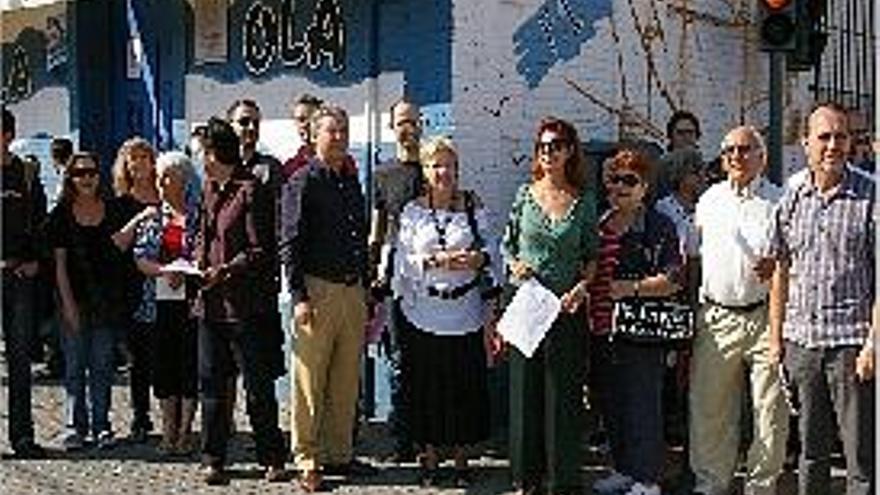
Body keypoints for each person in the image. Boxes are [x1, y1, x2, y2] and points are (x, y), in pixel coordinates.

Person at [769, 103, 876, 495]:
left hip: (851, 345)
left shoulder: (871, 196)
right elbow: (780, 268)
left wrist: (873, 344)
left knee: (859, 455)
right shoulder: (792, 196)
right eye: (824, 137)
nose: (833, 145)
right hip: (803, 345)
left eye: (841, 136)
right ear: (805, 143)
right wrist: (776, 339)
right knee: (810, 452)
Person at [392, 136, 499, 486]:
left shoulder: (472, 205)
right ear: (425, 170)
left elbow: (492, 251)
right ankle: (429, 459)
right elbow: (402, 260)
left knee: (462, 386)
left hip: (465, 311)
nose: (445, 172)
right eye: (437, 165)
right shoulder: (412, 211)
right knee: (425, 387)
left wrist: (478, 258)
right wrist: (434, 260)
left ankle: (461, 460)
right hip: (423, 311)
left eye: (450, 165)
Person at [689, 126, 788, 495]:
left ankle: (761, 486)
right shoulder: (709, 200)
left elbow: (790, 261)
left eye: (745, 149)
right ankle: (711, 483)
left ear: (761, 157)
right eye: (729, 149)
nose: (736, 156)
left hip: (765, 316)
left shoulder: (779, 202)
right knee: (710, 407)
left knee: (769, 410)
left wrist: (775, 266)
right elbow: (693, 255)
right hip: (717, 317)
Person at [282, 105, 376, 492]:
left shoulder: (350, 182)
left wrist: (366, 288)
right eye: (330, 131)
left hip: (352, 291)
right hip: (316, 292)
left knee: (344, 380)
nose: (338, 136)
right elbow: (289, 242)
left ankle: (340, 453)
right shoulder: (303, 181)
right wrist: (299, 296)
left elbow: (359, 239)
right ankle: (307, 460)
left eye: (343, 130)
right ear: (314, 136)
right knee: (309, 381)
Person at [503, 117, 597, 495]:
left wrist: (582, 286)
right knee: (525, 391)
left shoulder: (584, 200)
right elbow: (507, 244)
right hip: (527, 303)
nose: (548, 152)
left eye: (556, 145)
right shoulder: (524, 195)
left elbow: (591, 256)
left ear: (570, 150)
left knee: (563, 394)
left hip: (566, 308)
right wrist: (514, 265)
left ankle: (563, 480)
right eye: (542, 146)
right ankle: (526, 478)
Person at [195, 117, 286, 485]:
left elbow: (260, 249)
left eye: (203, 151)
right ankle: (213, 457)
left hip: (246, 306)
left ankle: (272, 456)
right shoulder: (208, 190)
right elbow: (204, 236)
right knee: (212, 386)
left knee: (257, 386)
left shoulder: (251, 190)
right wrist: (197, 264)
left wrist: (225, 270)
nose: (200, 158)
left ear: (216, 152)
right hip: (211, 304)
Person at [587, 149, 682, 495]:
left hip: (641, 332)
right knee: (612, 403)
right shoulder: (600, 223)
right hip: (602, 329)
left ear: (644, 186)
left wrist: (632, 288)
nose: (620, 186)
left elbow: (673, 279)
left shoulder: (658, 225)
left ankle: (647, 479)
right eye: (614, 179)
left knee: (643, 404)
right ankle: (623, 468)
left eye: (629, 180)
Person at [48, 152, 147, 451]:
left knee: (102, 366)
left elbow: (121, 244)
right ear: (70, 179)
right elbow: (60, 266)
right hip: (73, 300)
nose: (86, 178)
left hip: (106, 301)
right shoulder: (61, 215)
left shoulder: (113, 209)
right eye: (79, 173)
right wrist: (68, 306)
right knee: (75, 366)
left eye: (91, 172)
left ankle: (101, 425)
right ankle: (74, 426)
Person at [132, 151, 201, 455]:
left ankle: (186, 431)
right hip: (158, 304)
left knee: (189, 366)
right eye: (158, 175)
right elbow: (140, 257)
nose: (160, 181)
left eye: (167, 175)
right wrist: (164, 270)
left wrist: (186, 270)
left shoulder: (199, 216)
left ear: (183, 179)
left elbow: (204, 252)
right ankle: (167, 431)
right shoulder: (152, 216)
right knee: (164, 368)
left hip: (191, 303)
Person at [227, 99, 287, 434]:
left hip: (259, 284)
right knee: (220, 371)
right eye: (243, 122)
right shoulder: (219, 169)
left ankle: (265, 436)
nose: (250, 129)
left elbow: (279, 223)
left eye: (254, 123)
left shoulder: (269, 169)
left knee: (259, 369)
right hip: (224, 285)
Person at [369, 97, 423, 462]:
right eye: (401, 122)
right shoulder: (382, 175)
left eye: (413, 121)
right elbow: (376, 230)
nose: (408, 127)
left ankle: (428, 436)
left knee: (428, 358)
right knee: (399, 359)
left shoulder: (434, 169)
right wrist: (372, 273)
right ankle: (404, 439)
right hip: (394, 280)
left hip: (431, 281)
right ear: (393, 128)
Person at [1, 107, 48, 459]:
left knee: (20, 362)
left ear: (8, 135)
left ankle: (22, 437)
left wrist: (35, 261)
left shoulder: (26, 174)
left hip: (18, 278)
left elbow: (40, 224)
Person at [111, 136, 161, 443]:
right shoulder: (120, 203)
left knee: (168, 354)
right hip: (133, 288)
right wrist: (139, 219)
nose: (139, 163)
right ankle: (141, 416)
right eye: (133, 158)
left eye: (144, 157)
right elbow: (117, 243)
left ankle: (175, 415)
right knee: (139, 357)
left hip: (168, 286)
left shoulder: (166, 194)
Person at [282, 93, 323, 180]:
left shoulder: (341, 161)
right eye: (301, 120)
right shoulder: (290, 168)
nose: (306, 124)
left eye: (312, 118)